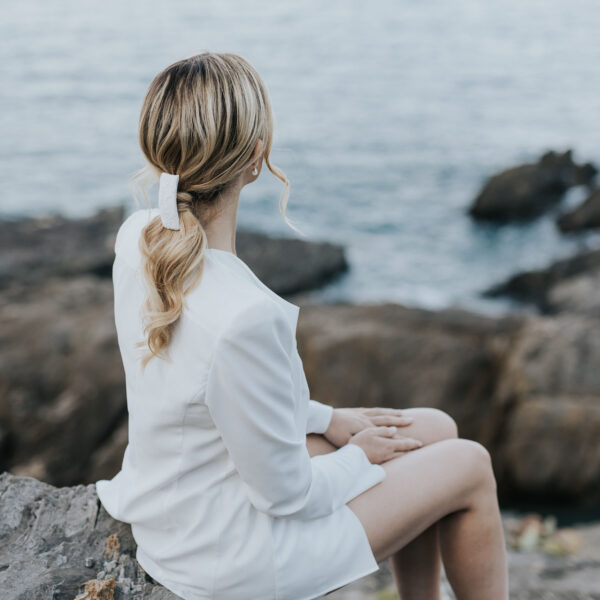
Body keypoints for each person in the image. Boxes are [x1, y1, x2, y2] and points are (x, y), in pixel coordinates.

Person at [95, 51, 508, 600]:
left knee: (431, 428)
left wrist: (330, 419)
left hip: (182, 504)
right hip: (232, 557)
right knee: (469, 464)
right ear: (256, 160)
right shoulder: (246, 315)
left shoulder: (138, 236)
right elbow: (286, 497)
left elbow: (214, 397)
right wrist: (361, 456)